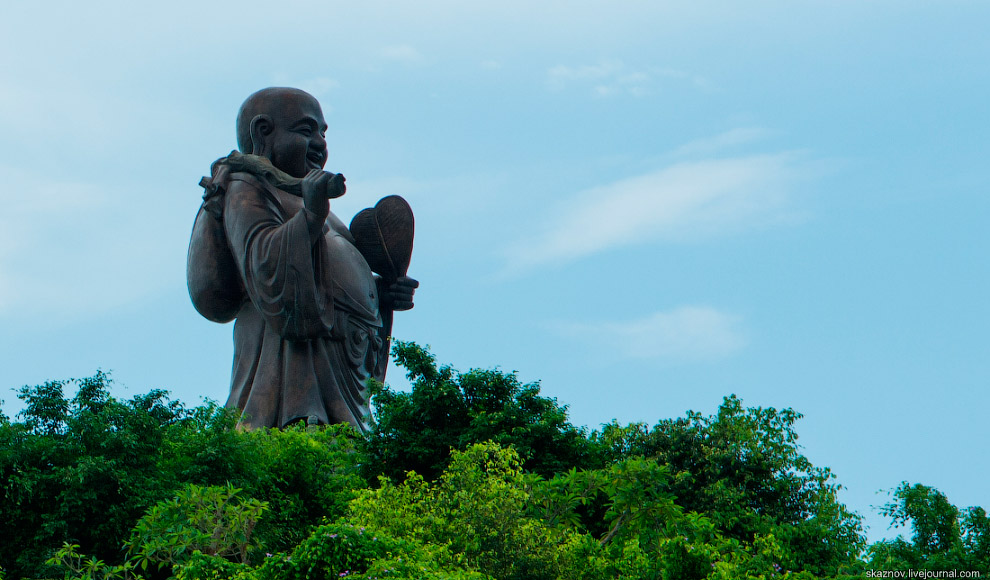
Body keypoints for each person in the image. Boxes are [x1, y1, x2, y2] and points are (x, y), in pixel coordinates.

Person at [191, 87, 417, 430]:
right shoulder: (247, 186)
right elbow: (264, 264)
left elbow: (333, 275)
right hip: (287, 361)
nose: (320, 144)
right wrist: (310, 215)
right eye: (306, 130)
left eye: (323, 133)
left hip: (341, 363)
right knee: (301, 438)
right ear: (263, 132)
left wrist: (380, 294)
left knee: (346, 445)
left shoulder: (313, 203)